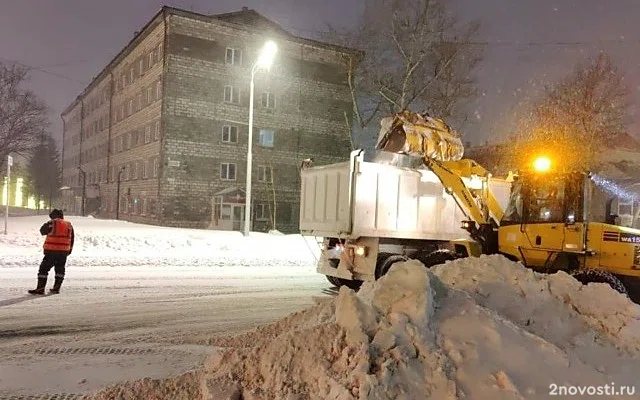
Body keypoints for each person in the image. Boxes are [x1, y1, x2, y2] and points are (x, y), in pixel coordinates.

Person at [28, 209, 74, 295]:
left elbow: (42, 231)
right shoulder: (69, 225)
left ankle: (40, 289)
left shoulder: (51, 223)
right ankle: (56, 288)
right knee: (60, 270)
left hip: (52, 251)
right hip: (63, 252)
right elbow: (72, 239)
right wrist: (68, 251)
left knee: (43, 269)